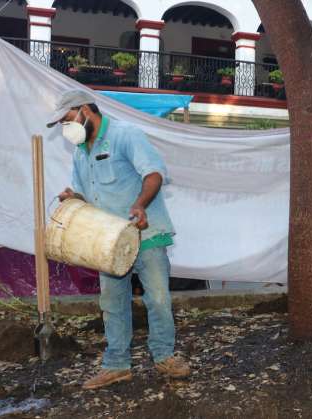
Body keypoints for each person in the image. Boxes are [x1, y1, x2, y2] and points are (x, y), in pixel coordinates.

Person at [47, 89, 190, 389]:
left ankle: (164, 356)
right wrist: (75, 197)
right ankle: (117, 365)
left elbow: (154, 174)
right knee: (112, 303)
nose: (65, 127)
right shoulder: (80, 152)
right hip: (107, 243)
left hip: (145, 234)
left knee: (159, 299)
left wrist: (139, 205)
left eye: (67, 119)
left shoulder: (127, 134)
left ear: (85, 109)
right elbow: (88, 195)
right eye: (61, 123)